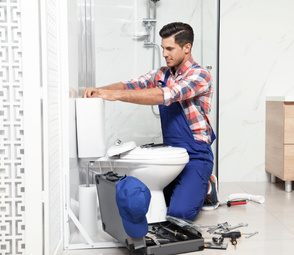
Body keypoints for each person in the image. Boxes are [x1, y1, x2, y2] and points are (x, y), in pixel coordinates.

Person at [82, 22, 218, 220]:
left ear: (186, 48)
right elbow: (130, 85)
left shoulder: (200, 76)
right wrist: (98, 91)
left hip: (197, 154)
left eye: (169, 48)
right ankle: (194, 186)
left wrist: (114, 96)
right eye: (163, 48)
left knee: (179, 213)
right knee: (151, 202)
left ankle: (207, 185)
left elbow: (165, 95)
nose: (164, 53)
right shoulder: (161, 73)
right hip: (172, 153)